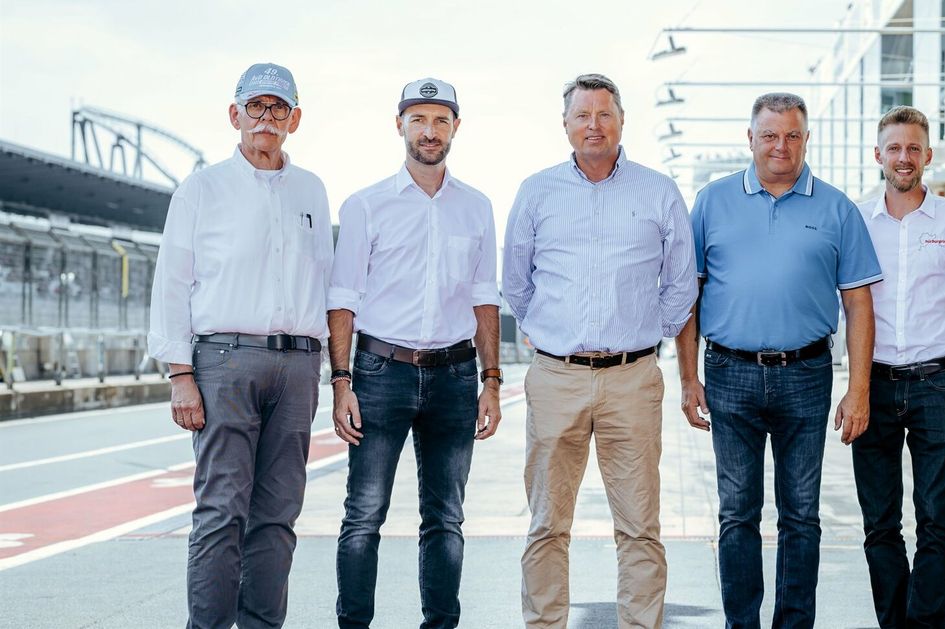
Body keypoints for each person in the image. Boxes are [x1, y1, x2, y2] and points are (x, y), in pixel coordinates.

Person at [676, 92, 883, 628]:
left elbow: (859, 305)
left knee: (800, 517)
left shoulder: (838, 208)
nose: (780, 146)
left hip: (807, 375)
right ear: (749, 139)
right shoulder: (712, 202)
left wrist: (858, 390)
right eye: (769, 135)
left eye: (792, 135)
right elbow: (688, 297)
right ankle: (740, 624)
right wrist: (687, 377)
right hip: (728, 374)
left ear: (806, 139)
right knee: (737, 514)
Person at [502, 73, 697, 629]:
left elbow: (682, 284)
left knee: (639, 524)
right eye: (582, 115)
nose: (594, 124)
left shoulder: (658, 191)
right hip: (555, 377)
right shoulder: (537, 192)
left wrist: (643, 333)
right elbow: (515, 283)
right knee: (546, 523)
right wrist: (546, 332)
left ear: (621, 121)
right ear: (565, 124)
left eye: (604, 114)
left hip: (632, 378)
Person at [148, 62, 331, 629]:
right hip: (224, 361)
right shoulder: (202, 189)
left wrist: (332, 370)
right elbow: (172, 280)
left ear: (295, 119)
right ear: (235, 114)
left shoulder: (312, 190)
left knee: (277, 517)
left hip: (299, 364)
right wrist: (181, 373)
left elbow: (323, 281)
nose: (266, 119)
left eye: (279, 108)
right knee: (222, 513)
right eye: (256, 107)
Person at [329, 77, 502, 629]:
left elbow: (483, 299)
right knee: (364, 516)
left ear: (456, 127)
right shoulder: (365, 206)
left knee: (446, 519)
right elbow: (343, 299)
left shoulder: (476, 208)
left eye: (441, 120)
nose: (430, 131)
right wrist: (340, 382)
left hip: (454, 375)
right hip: (381, 372)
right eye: (419, 120)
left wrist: (491, 380)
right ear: (399, 124)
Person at [853, 105, 945, 629]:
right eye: (894, 148)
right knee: (880, 524)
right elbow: (843, 302)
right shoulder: (855, 219)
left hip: (937, 385)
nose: (903, 158)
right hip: (873, 386)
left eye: (913, 148)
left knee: (936, 525)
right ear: (878, 154)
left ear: (928, 155)